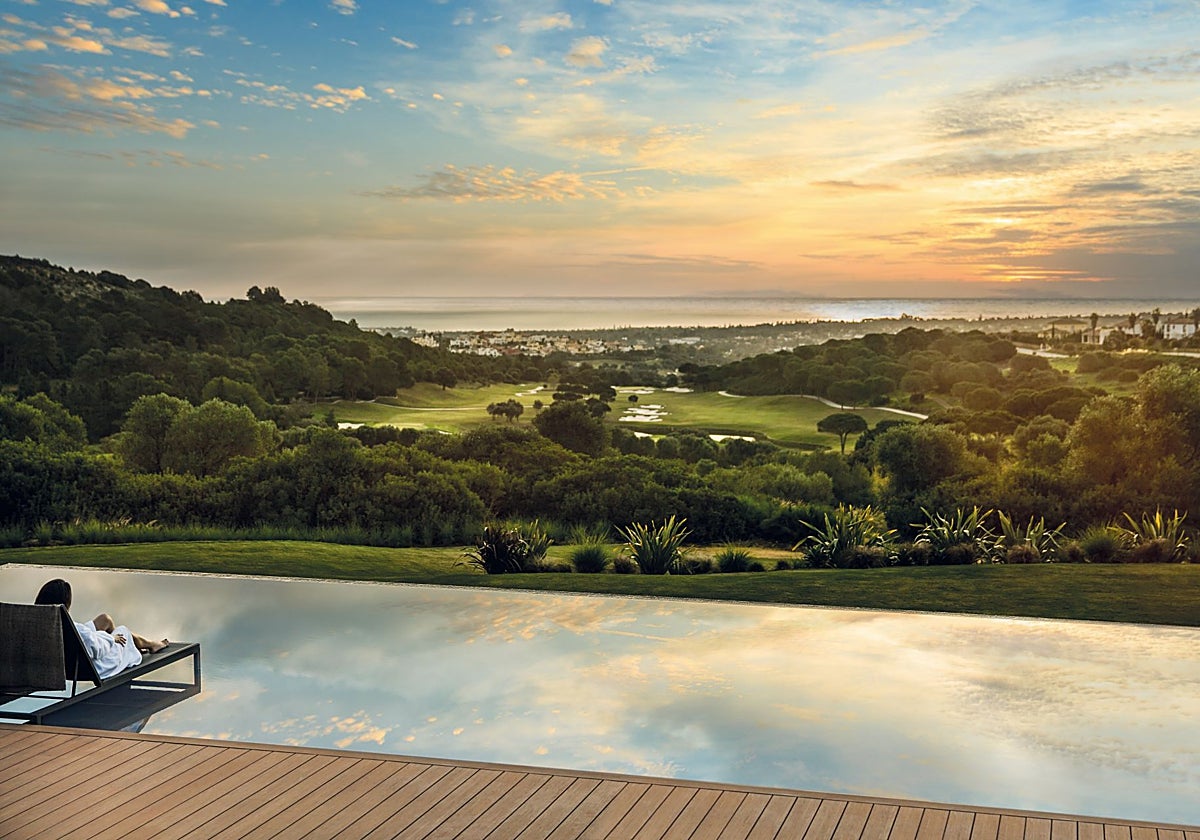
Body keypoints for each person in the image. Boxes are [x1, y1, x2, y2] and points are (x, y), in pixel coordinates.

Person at [34, 579, 169, 680]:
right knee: (123, 631)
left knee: (105, 619)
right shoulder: (74, 630)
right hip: (91, 668)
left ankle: (136, 648)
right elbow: (95, 650)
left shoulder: (35, 628)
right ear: (66, 604)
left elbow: (85, 640)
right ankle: (149, 645)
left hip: (66, 663)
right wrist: (112, 638)